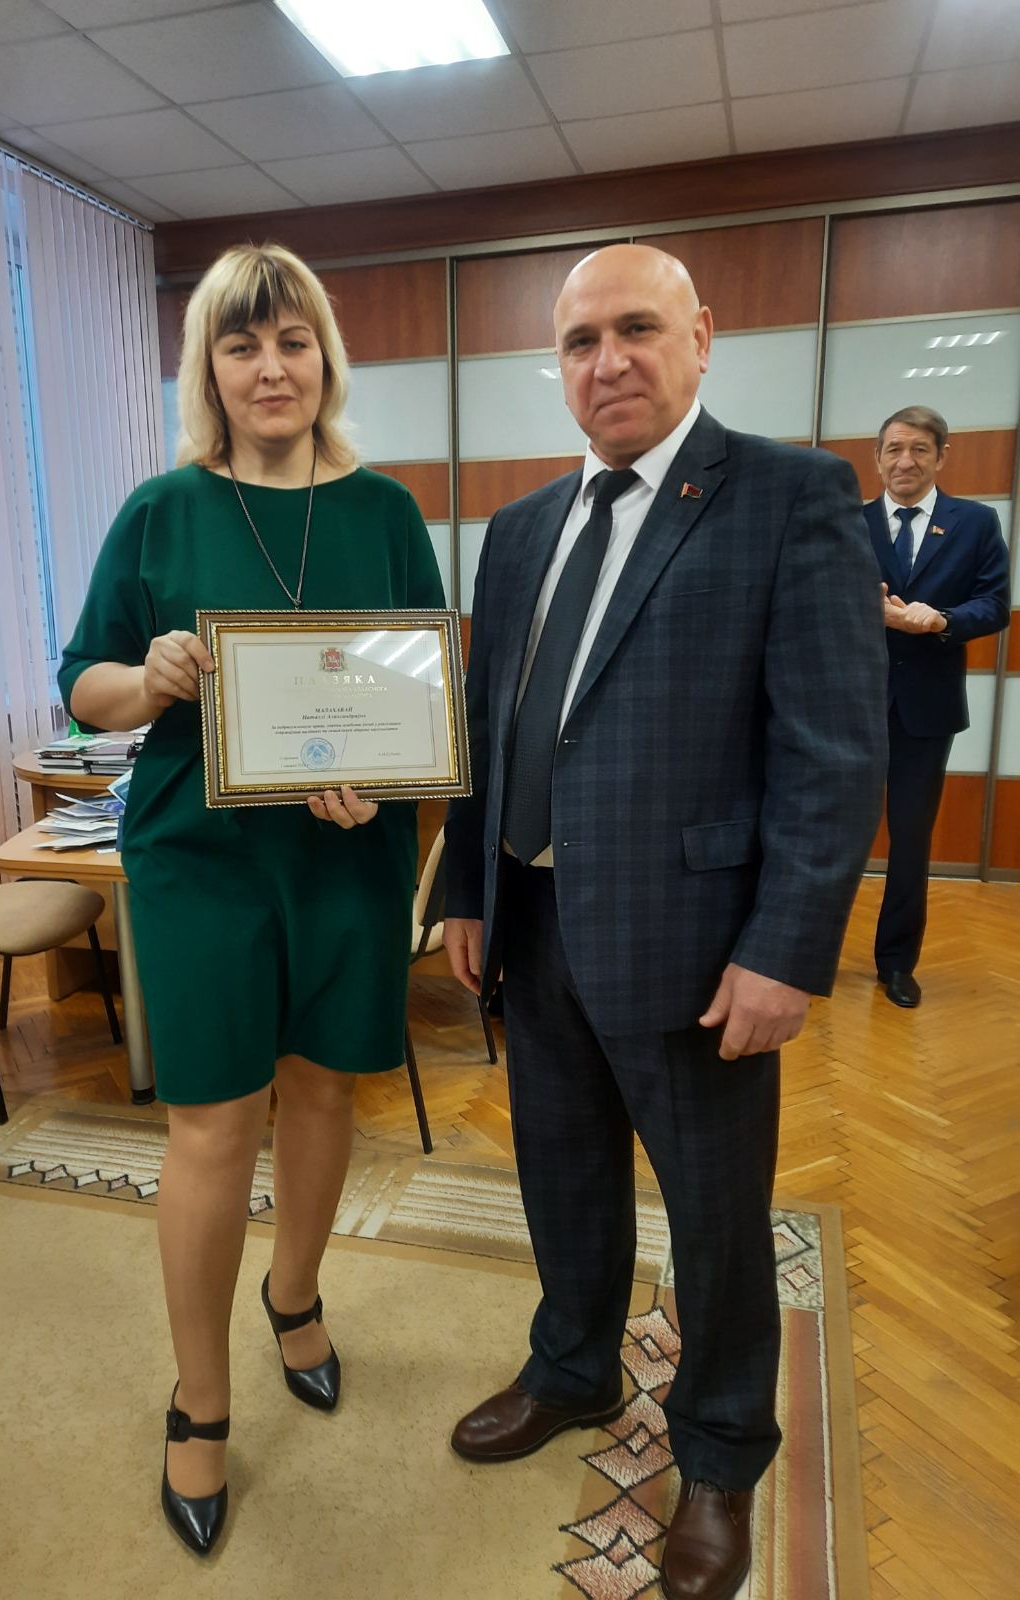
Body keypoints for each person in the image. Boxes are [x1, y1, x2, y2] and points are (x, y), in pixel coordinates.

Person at [442, 245, 886, 1600]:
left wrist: (784, 948)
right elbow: (489, 726)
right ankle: (574, 1367)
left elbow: (832, 748)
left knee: (715, 1215)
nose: (609, 361)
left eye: (637, 328)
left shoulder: (791, 497)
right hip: (535, 921)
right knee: (561, 1176)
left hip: (698, 947)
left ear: (701, 336)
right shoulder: (523, 528)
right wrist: (464, 886)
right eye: (580, 341)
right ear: (559, 367)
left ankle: (721, 1448)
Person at [59, 243, 445, 1558]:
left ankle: (297, 1292)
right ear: (209, 370)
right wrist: (151, 677)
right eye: (241, 345)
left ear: (324, 357)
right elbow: (85, 686)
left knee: (326, 1090)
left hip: (346, 855)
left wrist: (382, 784)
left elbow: (424, 697)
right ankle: (200, 1399)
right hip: (202, 859)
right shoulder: (159, 511)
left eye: (292, 341)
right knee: (215, 1124)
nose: (270, 368)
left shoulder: (387, 512)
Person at [865, 406, 1010, 1007]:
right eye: (894, 449)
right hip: (848, 705)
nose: (906, 461)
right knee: (828, 834)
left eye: (920, 449)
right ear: (877, 457)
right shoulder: (848, 522)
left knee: (911, 837)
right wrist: (865, 610)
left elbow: (995, 603)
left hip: (926, 709)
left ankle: (897, 963)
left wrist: (941, 619)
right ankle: (807, 956)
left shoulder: (974, 522)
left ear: (941, 456)